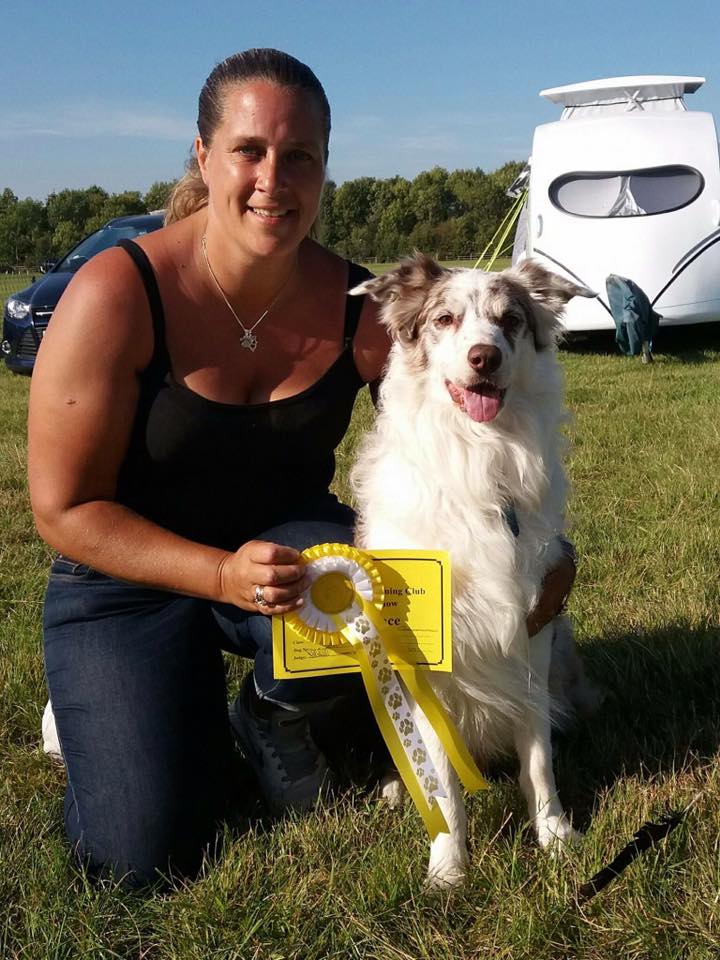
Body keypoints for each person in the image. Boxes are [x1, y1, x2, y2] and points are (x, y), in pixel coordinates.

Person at [28, 48, 576, 889]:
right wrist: (219, 574)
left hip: (288, 560)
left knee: (400, 597)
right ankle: (103, 704)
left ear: (324, 167)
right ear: (204, 155)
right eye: (249, 151)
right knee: (139, 851)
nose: (272, 180)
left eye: (300, 157)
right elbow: (63, 511)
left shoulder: (360, 305)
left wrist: (543, 546)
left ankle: (267, 711)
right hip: (125, 574)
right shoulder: (115, 292)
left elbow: (459, 417)